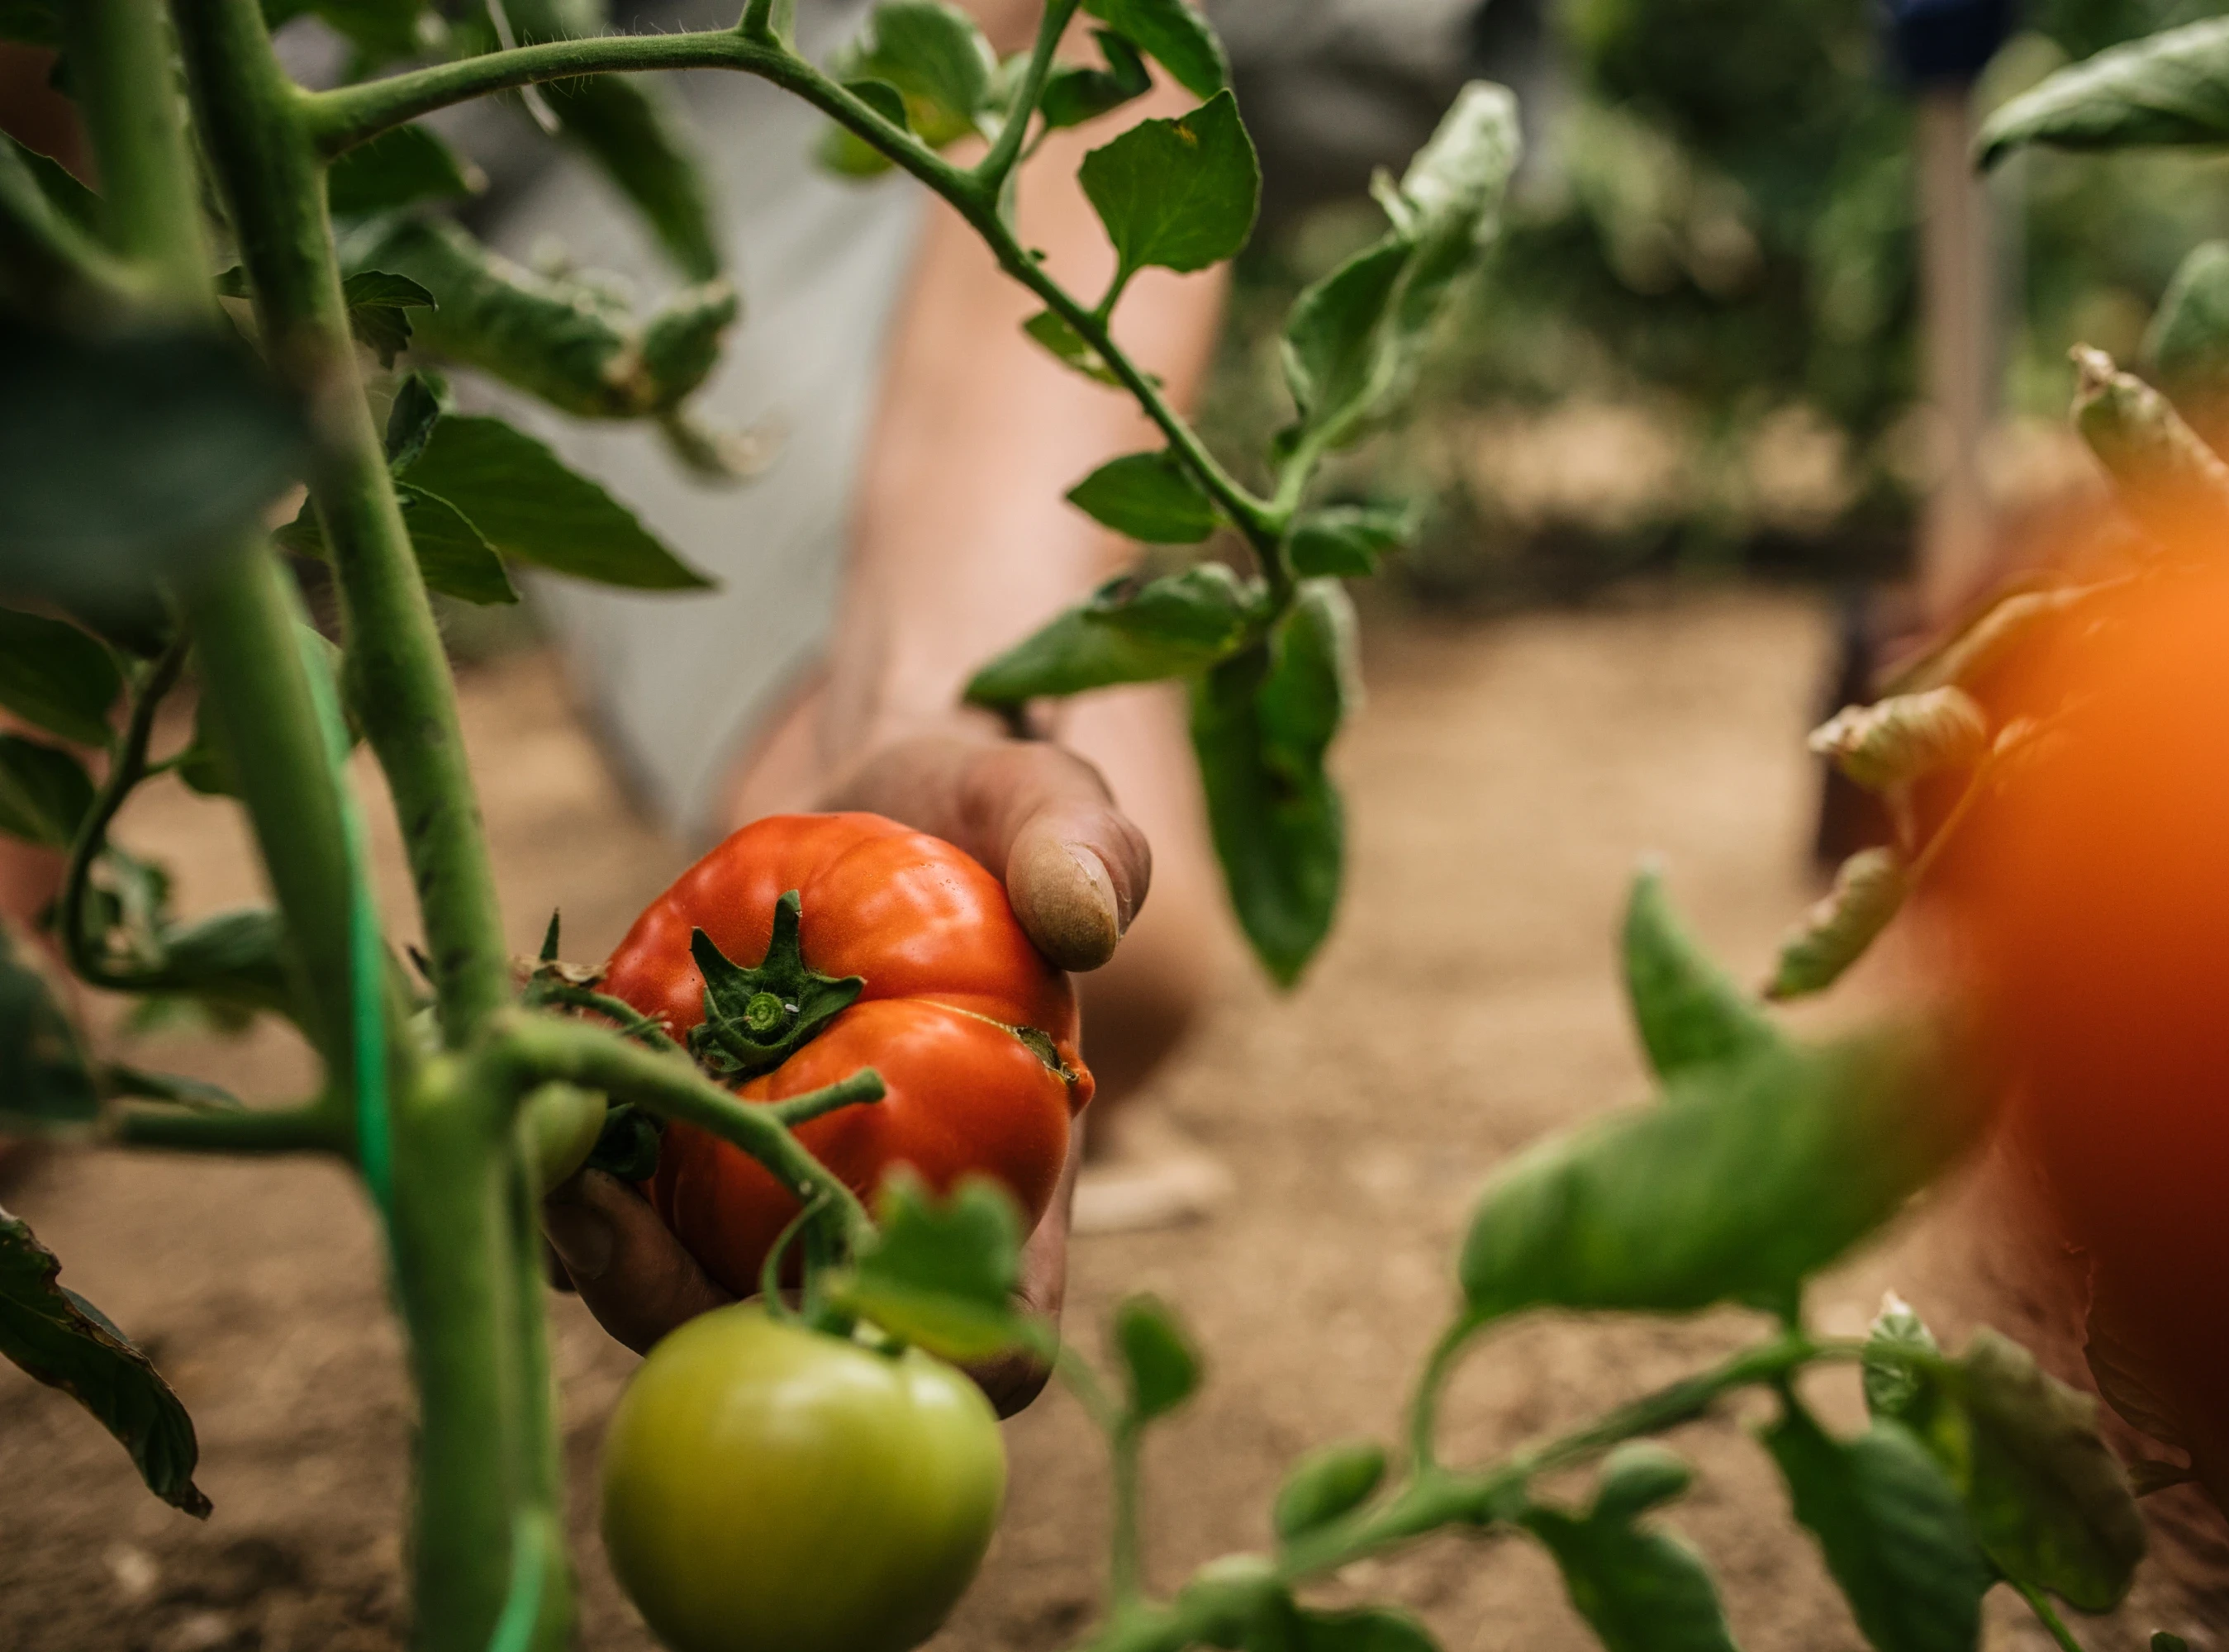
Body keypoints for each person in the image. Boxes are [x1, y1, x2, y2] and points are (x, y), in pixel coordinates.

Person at [427, 0, 1544, 1410]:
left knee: (1105, 39)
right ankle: (912, 724)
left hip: (1019, 56)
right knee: (1092, 949)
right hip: (601, 103)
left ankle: (926, 705)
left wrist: (926, 698)